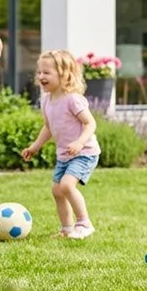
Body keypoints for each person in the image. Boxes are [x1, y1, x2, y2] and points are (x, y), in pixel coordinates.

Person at [21, 50, 101, 238]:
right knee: (57, 191)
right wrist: (34, 147)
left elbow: (90, 123)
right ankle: (67, 229)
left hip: (84, 152)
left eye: (47, 72)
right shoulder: (46, 101)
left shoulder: (72, 99)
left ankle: (84, 223)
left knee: (66, 186)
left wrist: (80, 142)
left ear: (64, 74)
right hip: (65, 155)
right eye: (39, 72)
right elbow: (48, 128)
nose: (41, 76)